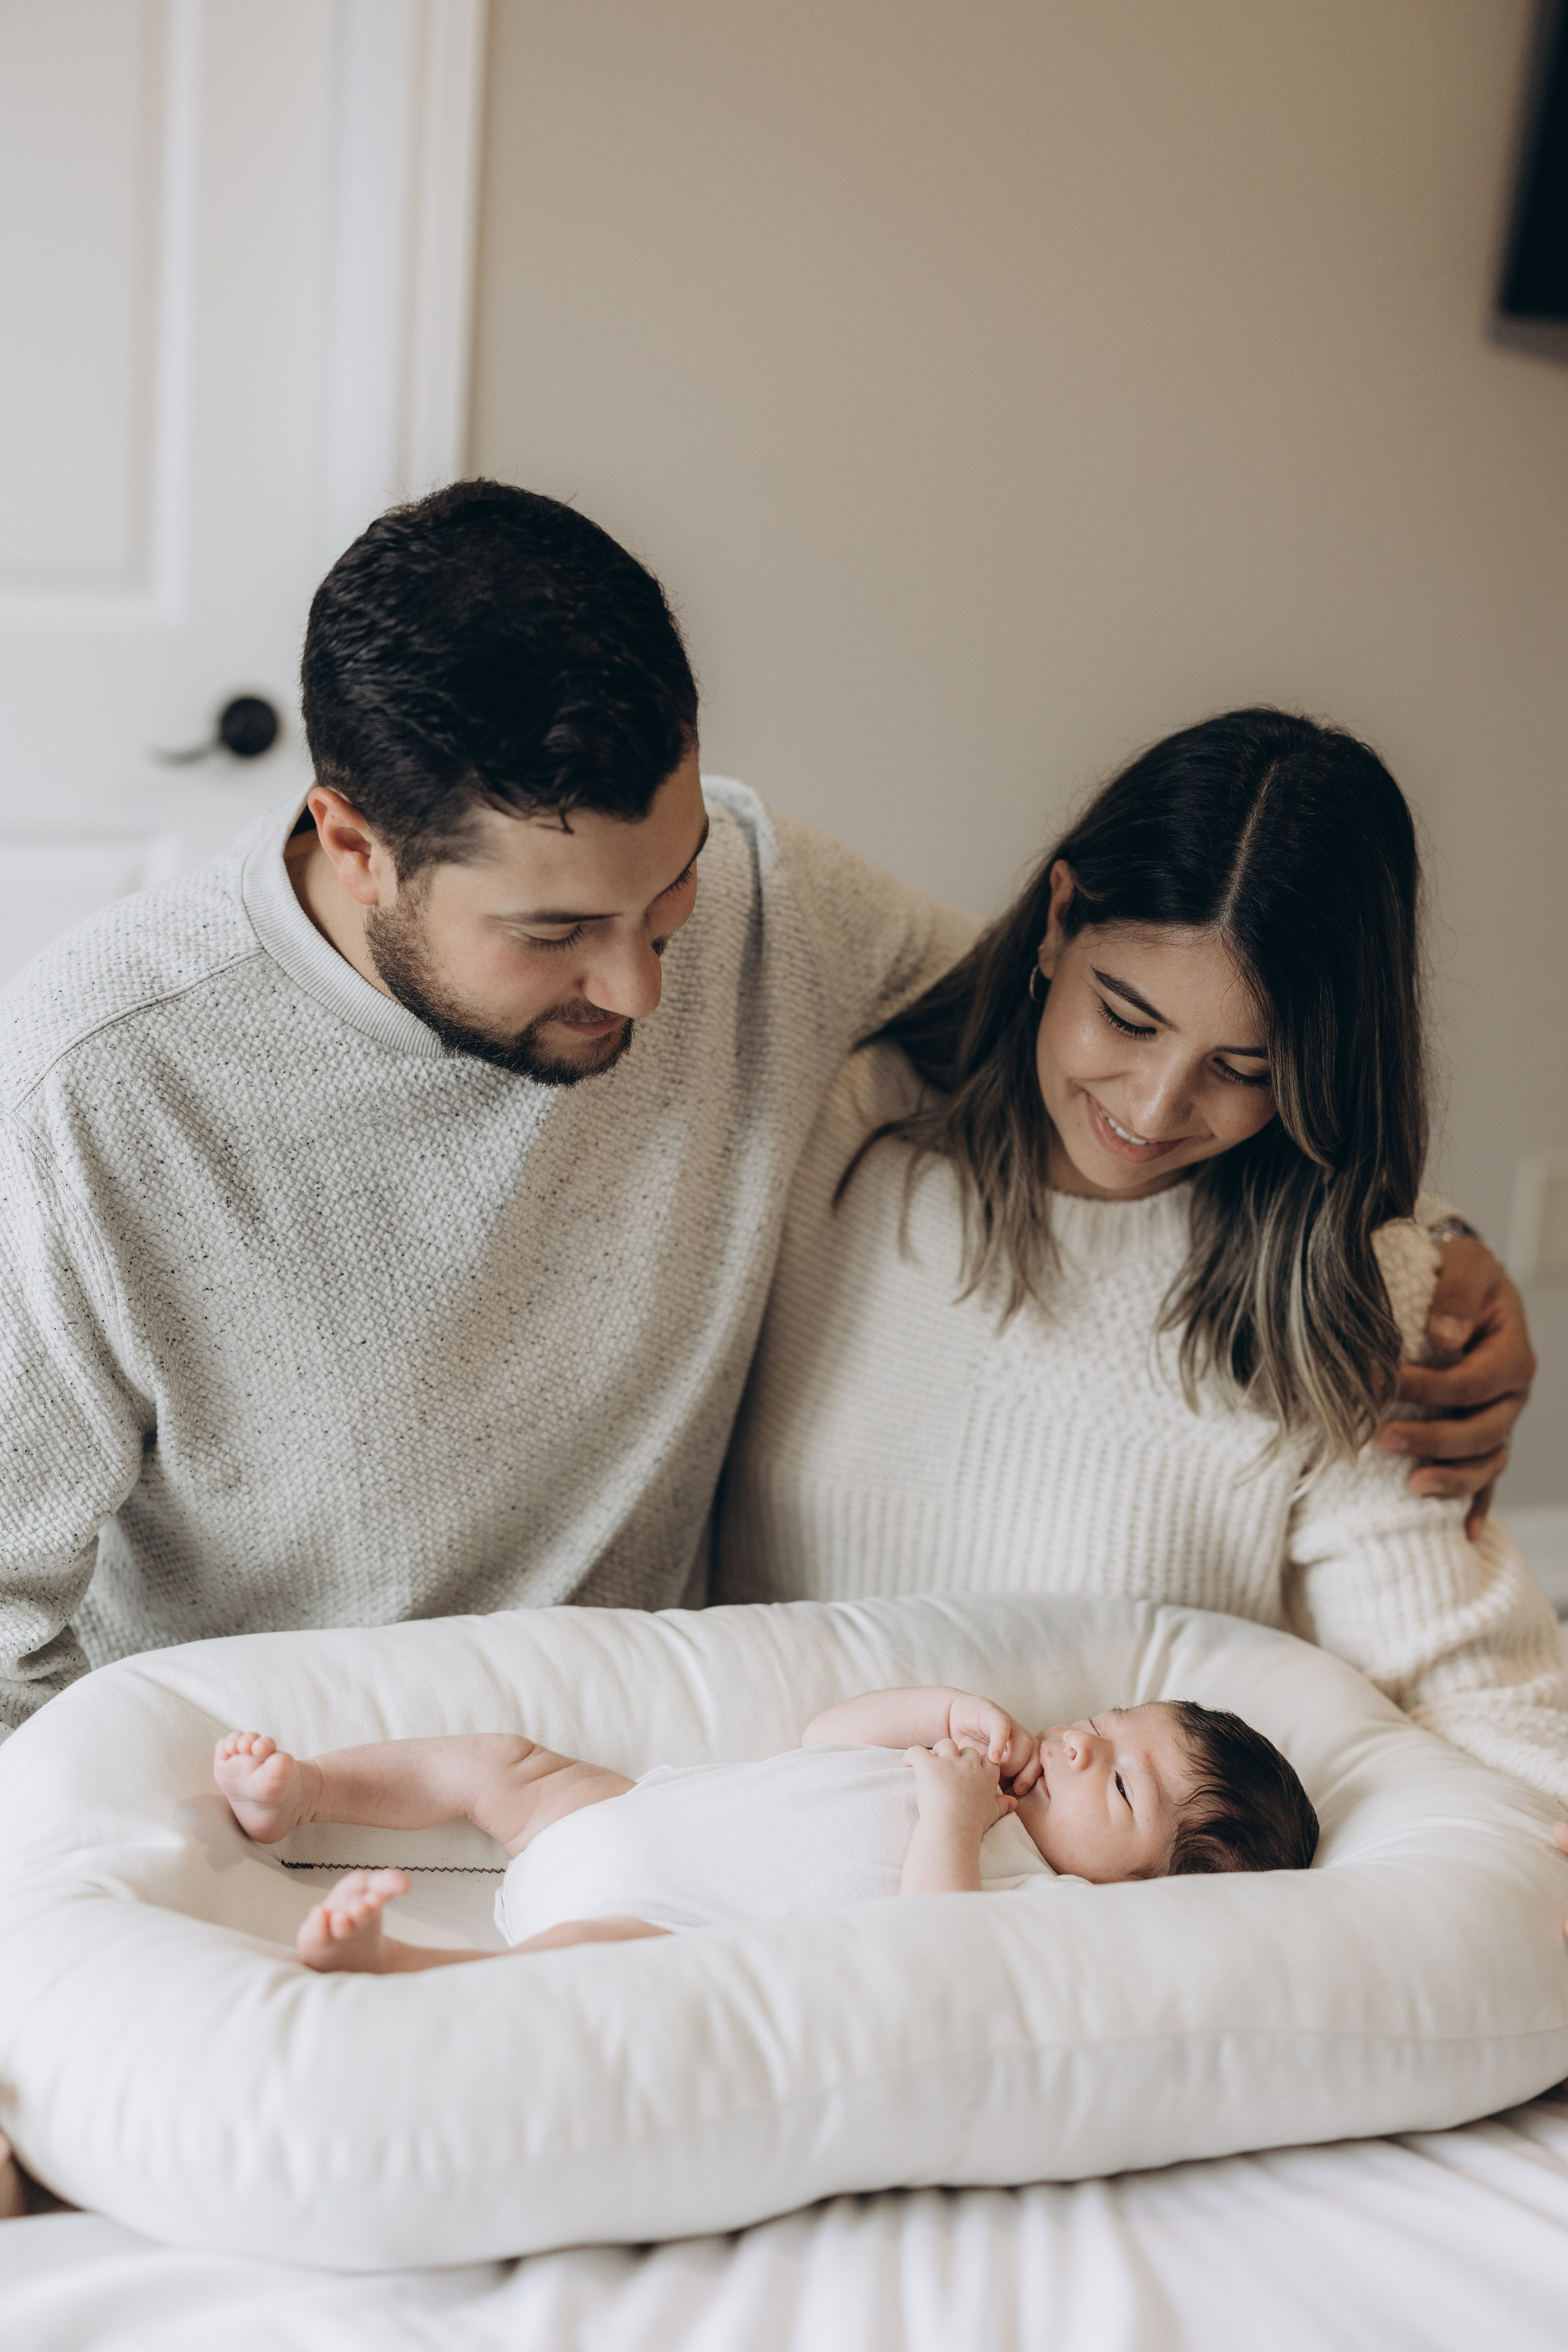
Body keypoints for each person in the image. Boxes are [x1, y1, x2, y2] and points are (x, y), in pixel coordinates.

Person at [0, 492, 1531, 1734]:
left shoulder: (760, 894)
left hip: (651, 1767)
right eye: (555, 934)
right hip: (260, 1789)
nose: (644, 989)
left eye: (662, 904)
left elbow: (1076, 1035)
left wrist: (1421, 1253)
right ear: (354, 842)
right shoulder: (94, 1094)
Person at [714, 709, 1568, 1805]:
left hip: (1105, 1931)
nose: (1157, 1108)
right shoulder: (842, 1128)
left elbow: (1475, 1697)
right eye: (1126, 1018)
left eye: (1246, 1068)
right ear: (1059, 922)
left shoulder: (1357, 1287)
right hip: (755, 1840)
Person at [211, 1683, 1319, 1973]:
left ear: (1145, 1893)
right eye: (1106, 1727)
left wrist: (948, 1815)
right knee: (499, 1766)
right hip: (622, 1812)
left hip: (656, 1918)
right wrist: (941, 1717)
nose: (1080, 1749)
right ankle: (303, 1793)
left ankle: (395, 1963)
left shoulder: (1038, 1896)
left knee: (581, 1968)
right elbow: (824, 1735)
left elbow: (936, 1949)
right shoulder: (977, 1767)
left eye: (1120, 1788)